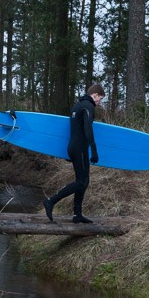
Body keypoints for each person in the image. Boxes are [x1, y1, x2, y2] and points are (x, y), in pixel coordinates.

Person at [44, 83, 105, 224]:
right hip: (80, 148)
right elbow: (88, 130)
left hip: (73, 147)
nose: (99, 102)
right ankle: (50, 201)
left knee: (83, 181)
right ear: (94, 95)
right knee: (81, 182)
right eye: (100, 99)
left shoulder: (77, 106)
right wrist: (94, 150)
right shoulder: (88, 107)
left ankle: (77, 215)